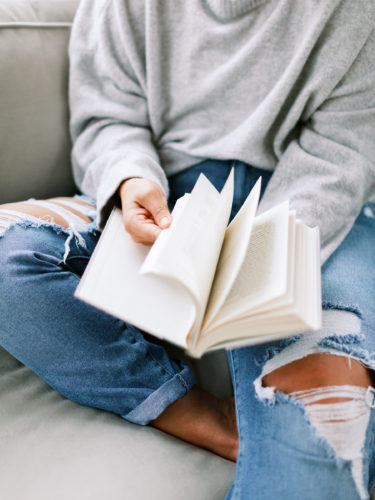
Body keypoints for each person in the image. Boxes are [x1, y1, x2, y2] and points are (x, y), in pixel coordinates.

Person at [1, 0, 375, 498]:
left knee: (327, 439)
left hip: (316, 215)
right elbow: (108, 116)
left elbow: (343, 153)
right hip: (164, 202)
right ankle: (202, 417)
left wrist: (266, 258)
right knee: (8, 249)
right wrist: (130, 180)